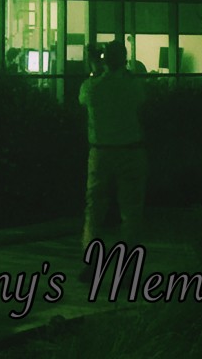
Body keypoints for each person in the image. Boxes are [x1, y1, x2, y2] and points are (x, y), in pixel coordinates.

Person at [78, 40, 147, 263]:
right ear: (125, 59)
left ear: (103, 59)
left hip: (100, 153)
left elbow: (82, 100)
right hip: (130, 151)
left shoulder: (91, 87)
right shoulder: (133, 86)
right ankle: (128, 264)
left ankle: (91, 261)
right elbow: (141, 100)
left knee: (95, 209)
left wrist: (94, 69)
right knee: (131, 212)